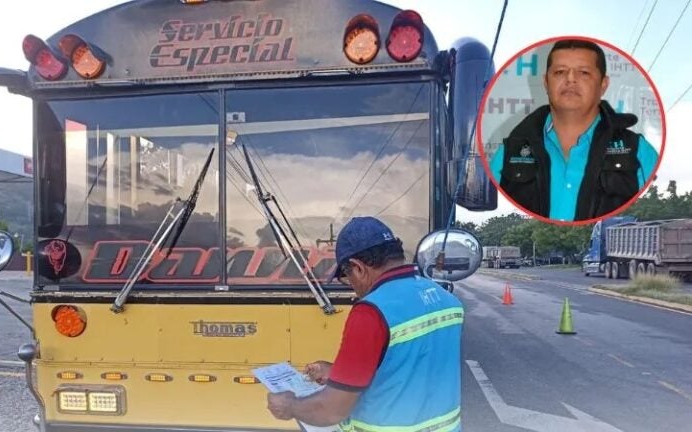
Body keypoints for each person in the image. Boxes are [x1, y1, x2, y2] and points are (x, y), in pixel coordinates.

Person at [266, 216, 464, 431]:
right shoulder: (445, 299)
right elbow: (409, 367)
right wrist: (338, 372)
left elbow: (331, 410)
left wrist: (290, 406)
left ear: (358, 267)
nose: (351, 286)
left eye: (346, 276)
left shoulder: (371, 312)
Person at [489, 39, 659, 222]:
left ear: (603, 84)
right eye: (560, 72)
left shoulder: (638, 151)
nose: (570, 79)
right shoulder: (508, 154)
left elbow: (649, 205)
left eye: (584, 72)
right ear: (546, 82)